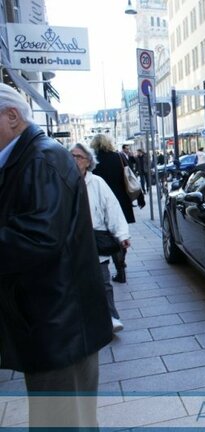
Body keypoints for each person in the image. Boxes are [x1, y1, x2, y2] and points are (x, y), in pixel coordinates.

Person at [0, 82, 112, 428]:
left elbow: (38, 238)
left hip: (58, 325)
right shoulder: (31, 157)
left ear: (12, 116)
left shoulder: (42, 159)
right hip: (51, 322)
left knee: (61, 422)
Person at [71, 143, 131, 333]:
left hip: (95, 238)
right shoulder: (61, 180)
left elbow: (111, 209)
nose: (74, 160)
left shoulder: (97, 182)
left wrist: (122, 235)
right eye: (71, 156)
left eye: (78, 157)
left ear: (88, 161)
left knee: (103, 283)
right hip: (71, 241)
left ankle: (111, 317)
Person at [92, 133, 144, 283]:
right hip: (120, 200)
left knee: (108, 235)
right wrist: (140, 197)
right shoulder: (119, 157)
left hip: (100, 202)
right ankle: (120, 265)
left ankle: (113, 266)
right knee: (120, 234)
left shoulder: (93, 160)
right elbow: (130, 177)